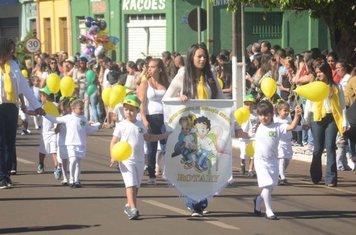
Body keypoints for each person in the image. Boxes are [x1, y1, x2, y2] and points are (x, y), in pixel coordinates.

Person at [162, 43, 225, 216]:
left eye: (204, 56)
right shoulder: (182, 75)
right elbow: (167, 98)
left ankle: (200, 200)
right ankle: (194, 201)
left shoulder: (210, 76)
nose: (202, 59)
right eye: (199, 56)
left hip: (207, 128)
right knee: (190, 166)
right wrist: (179, 97)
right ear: (191, 57)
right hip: (189, 130)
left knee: (206, 164)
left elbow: (221, 99)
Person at [110, 94, 169, 220]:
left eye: (132, 109)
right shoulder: (121, 125)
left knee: (136, 186)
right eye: (126, 109)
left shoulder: (141, 125)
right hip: (126, 160)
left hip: (140, 160)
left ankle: (128, 205)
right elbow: (114, 142)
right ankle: (133, 209)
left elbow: (148, 138)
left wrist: (163, 136)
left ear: (138, 110)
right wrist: (113, 156)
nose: (129, 112)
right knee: (130, 184)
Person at [0, 37, 44, 189]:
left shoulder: (13, 65)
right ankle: (1, 177)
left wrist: (36, 106)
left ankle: (5, 175)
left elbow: (24, 88)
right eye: (9, 50)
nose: (12, 53)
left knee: (9, 143)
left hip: (11, 107)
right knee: (1, 143)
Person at [253, 100, 301, 220]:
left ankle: (258, 200)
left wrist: (297, 115)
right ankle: (269, 211)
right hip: (260, 161)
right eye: (260, 115)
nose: (263, 118)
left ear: (271, 114)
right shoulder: (258, 127)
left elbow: (292, 127)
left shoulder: (278, 127)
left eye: (266, 115)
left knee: (270, 186)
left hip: (273, 161)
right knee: (267, 185)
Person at [304, 61, 349, 187]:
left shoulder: (337, 87)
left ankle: (331, 178)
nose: (318, 74)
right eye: (317, 72)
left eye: (320, 72)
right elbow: (309, 103)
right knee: (318, 148)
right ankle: (316, 175)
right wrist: (306, 120)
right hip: (316, 118)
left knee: (330, 147)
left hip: (331, 118)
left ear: (327, 72)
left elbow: (342, 105)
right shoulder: (314, 85)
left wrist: (344, 121)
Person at [44, 99, 101, 188]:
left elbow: (89, 129)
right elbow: (55, 119)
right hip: (71, 144)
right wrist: (44, 114)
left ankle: (76, 180)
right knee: (73, 161)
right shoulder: (68, 118)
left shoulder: (84, 119)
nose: (82, 110)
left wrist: (97, 127)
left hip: (81, 144)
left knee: (78, 163)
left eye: (82, 108)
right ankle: (71, 179)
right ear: (73, 108)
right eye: (80, 108)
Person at [137, 58, 169, 184]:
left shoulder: (166, 82)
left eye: (153, 66)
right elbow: (142, 103)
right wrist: (144, 119)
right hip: (151, 117)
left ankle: (167, 172)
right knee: (151, 148)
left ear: (160, 69)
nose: (149, 69)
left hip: (165, 117)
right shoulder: (146, 83)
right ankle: (152, 176)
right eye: (149, 66)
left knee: (166, 146)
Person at [274, 100, 304, 185]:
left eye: (288, 110)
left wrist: (302, 127)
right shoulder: (275, 120)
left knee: (287, 160)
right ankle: (283, 177)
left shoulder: (288, 119)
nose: (287, 112)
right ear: (279, 111)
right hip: (279, 143)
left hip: (288, 143)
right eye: (285, 110)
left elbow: (293, 127)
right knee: (282, 159)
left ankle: (280, 173)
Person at [37, 86, 61, 178]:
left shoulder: (55, 105)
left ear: (45, 96)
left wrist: (57, 126)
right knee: (42, 151)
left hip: (53, 132)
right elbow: (37, 113)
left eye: (41, 96)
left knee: (53, 150)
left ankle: (57, 167)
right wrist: (28, 111)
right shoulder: (42, 106)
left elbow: (58, 117)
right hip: (44, 133)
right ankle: (41, 164)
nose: (40, 98)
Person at [239, 94, 258, 177]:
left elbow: (258, 124)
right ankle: (242, 164)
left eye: (251, 104)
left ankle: (250, 170)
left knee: (252, 154)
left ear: (254, 105)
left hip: (253, 137)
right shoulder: (241, 113)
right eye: (247, 104)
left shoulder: (256, 116)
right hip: (243, 137)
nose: (249, 106)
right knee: (243, 154)